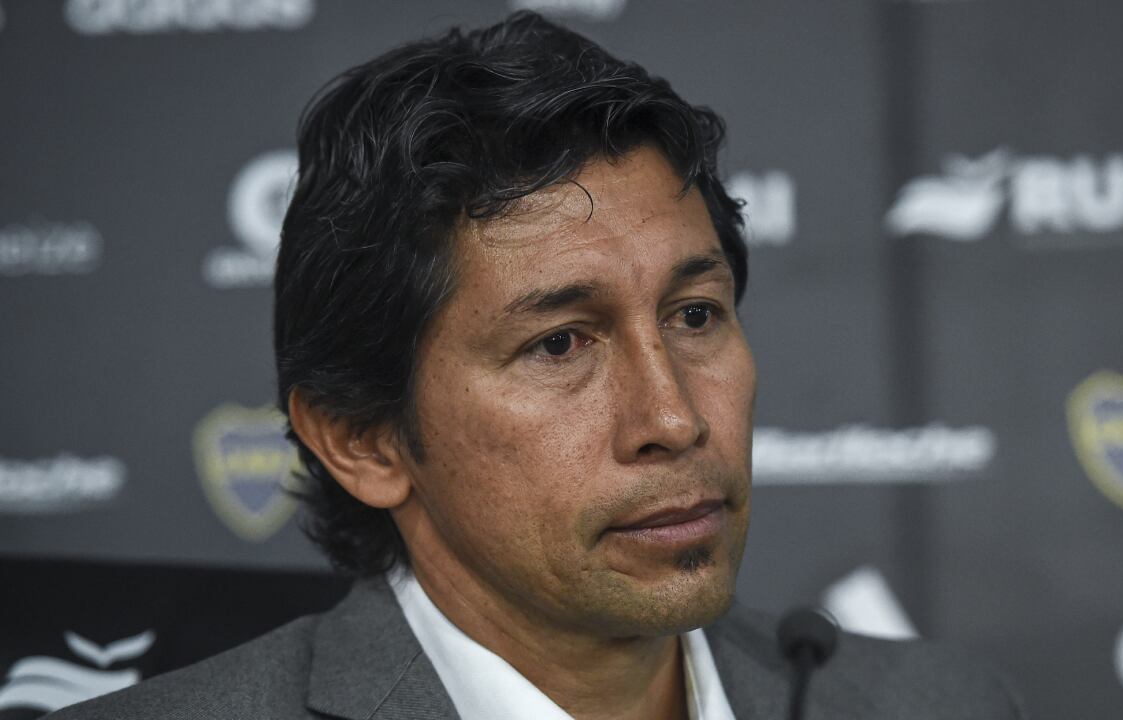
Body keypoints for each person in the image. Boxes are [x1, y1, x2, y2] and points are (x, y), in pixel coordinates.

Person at [50, 11, 1024, 720]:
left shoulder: (941, 705)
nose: (675, 419)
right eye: (559, 343)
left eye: (694, 315)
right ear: (362, 439)